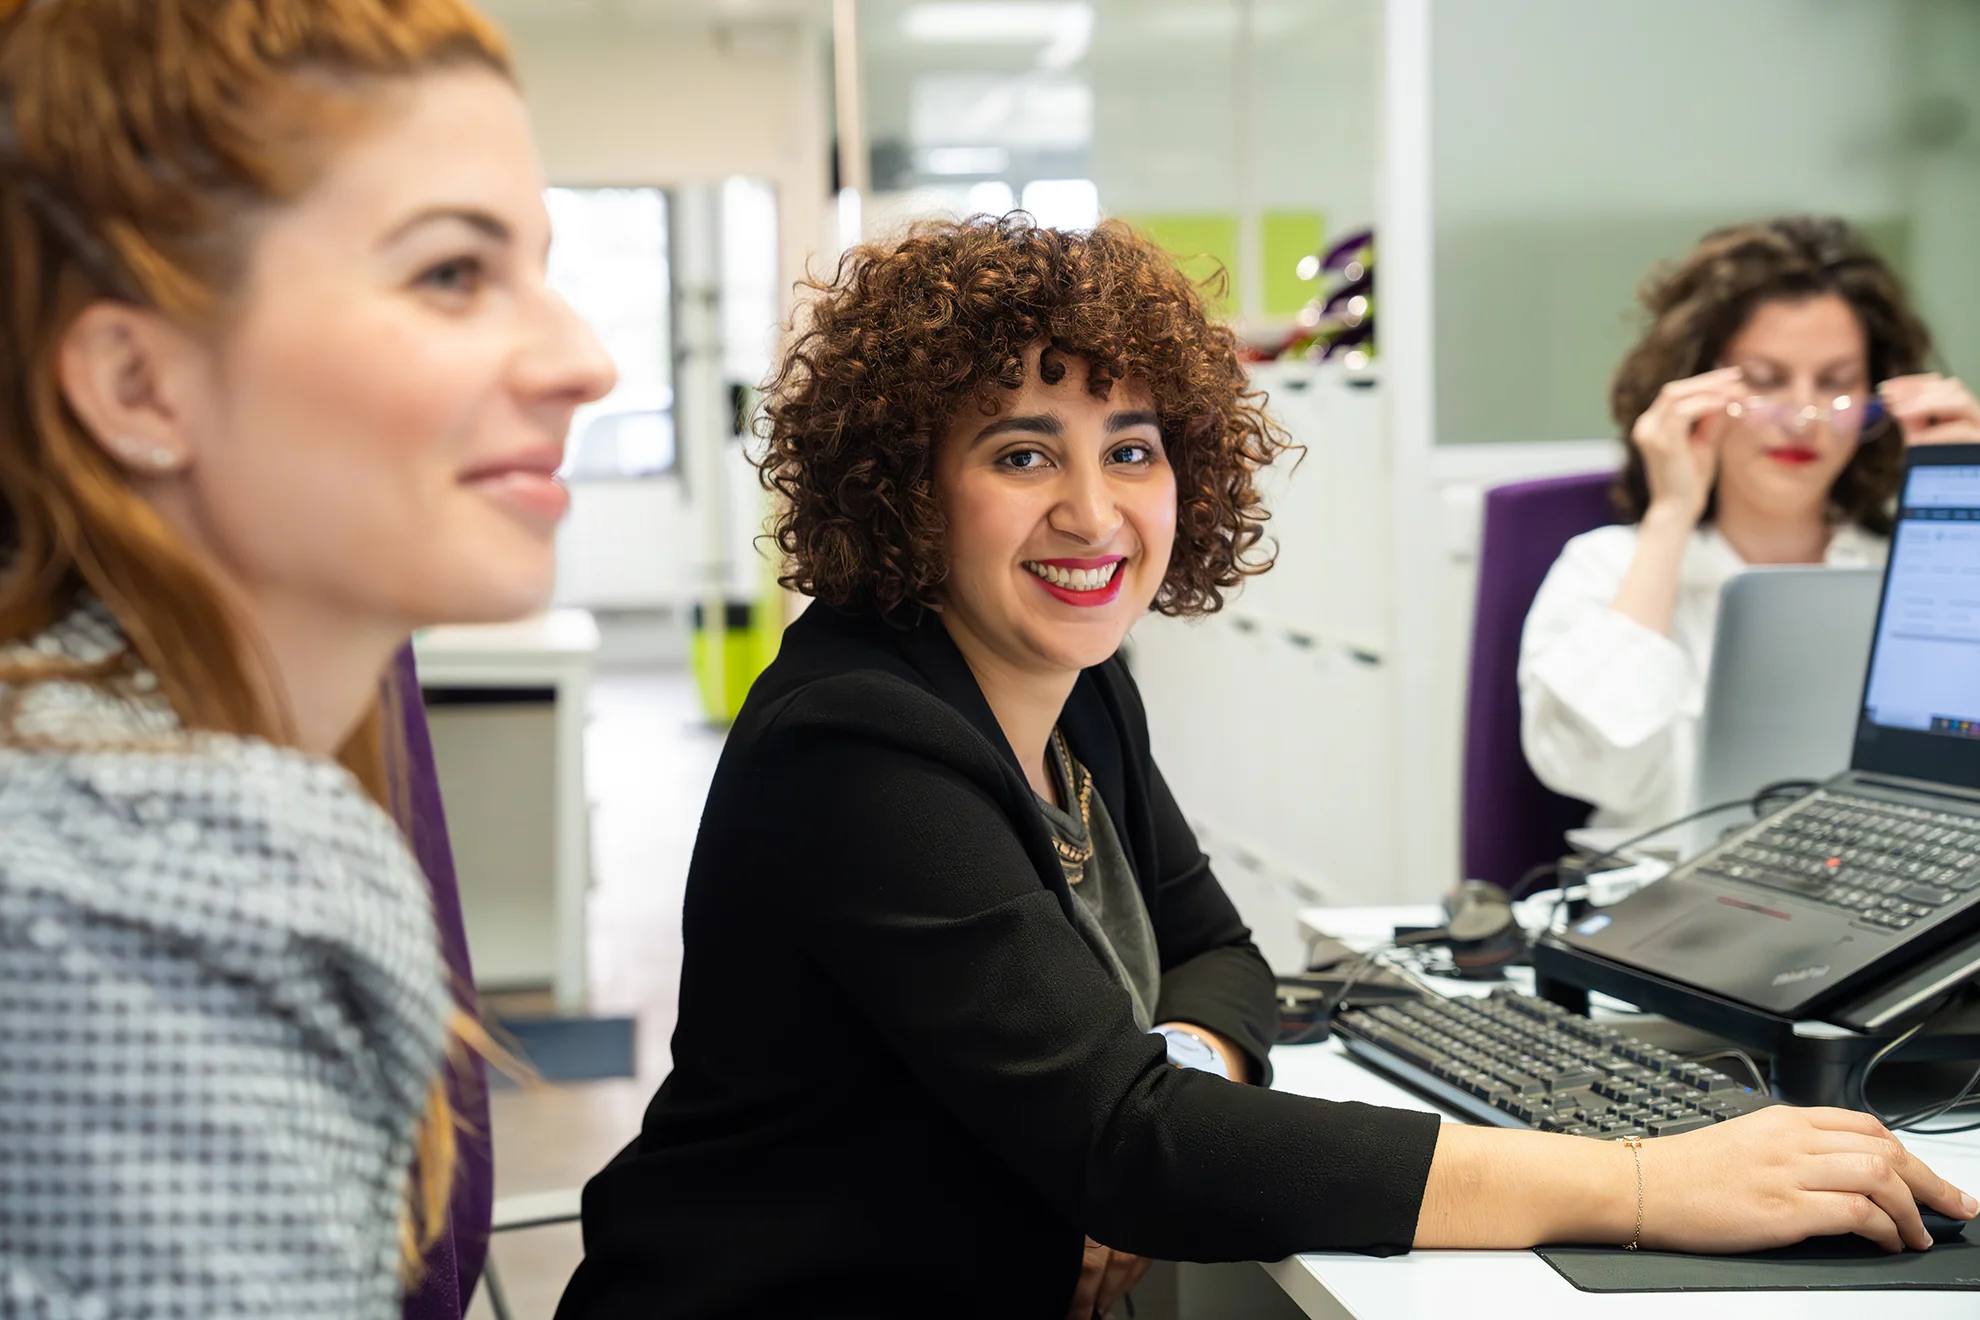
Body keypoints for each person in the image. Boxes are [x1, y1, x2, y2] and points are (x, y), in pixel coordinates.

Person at [555, 215, 1974, 1320]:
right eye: (1020, 451)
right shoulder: (858, 740)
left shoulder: (1076, 685)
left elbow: (1219, 958)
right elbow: (1133, 1146)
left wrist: (1152, 1083)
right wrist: (1646, 1182)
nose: (1094, 510)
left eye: (1133, 447)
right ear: (907, 482)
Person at [0, 1, 614, 1316]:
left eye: (538, 265)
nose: (583, 359)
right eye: (452, 272)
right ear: (139, 384)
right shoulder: (174, 869)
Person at [1521, 216, 1980, 833]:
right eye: (1765, 383)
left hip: (1879, 899)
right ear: (1695, 390)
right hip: (1666, 900)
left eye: (1837, 383)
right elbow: (1598, 770)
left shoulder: (1906, 565)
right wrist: (1669, 515)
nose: (1803, 417)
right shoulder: (1608, 567)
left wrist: (1965, 507)